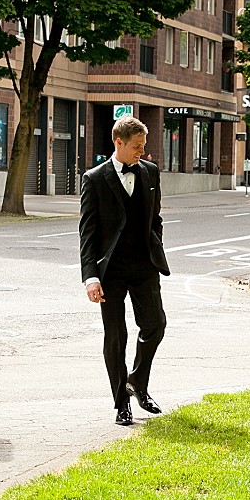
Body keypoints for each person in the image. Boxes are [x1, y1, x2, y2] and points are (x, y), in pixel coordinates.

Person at [79, 116, 170, 426]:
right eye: (136, 146)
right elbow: (88, 234)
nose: (141, 152)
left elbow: (155, 218)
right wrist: (91, 277)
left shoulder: (151, 173)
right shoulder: (94, 179)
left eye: (143, 146)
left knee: (155, 325)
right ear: (118, 142)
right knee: (116, 336)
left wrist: (156, 244)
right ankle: (122, 404)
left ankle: (138, 382)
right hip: (111, 272)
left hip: (145, 266)